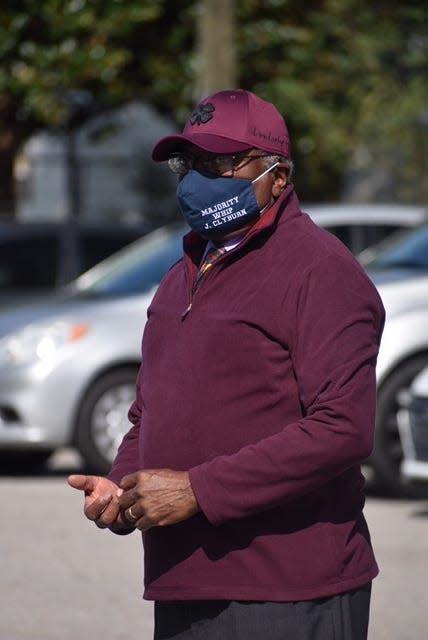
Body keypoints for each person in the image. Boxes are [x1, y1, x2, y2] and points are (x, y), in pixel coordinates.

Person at [68, 89, 385, 639]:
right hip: (184, 583)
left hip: (287, 591)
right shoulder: (179, 277)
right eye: (189, 163)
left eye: (220, 163)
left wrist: (198, 491)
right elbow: (150, 414)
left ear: (278, 178)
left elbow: (344, 428)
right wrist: (122, 488)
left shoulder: (320, 271)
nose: (198, 177)